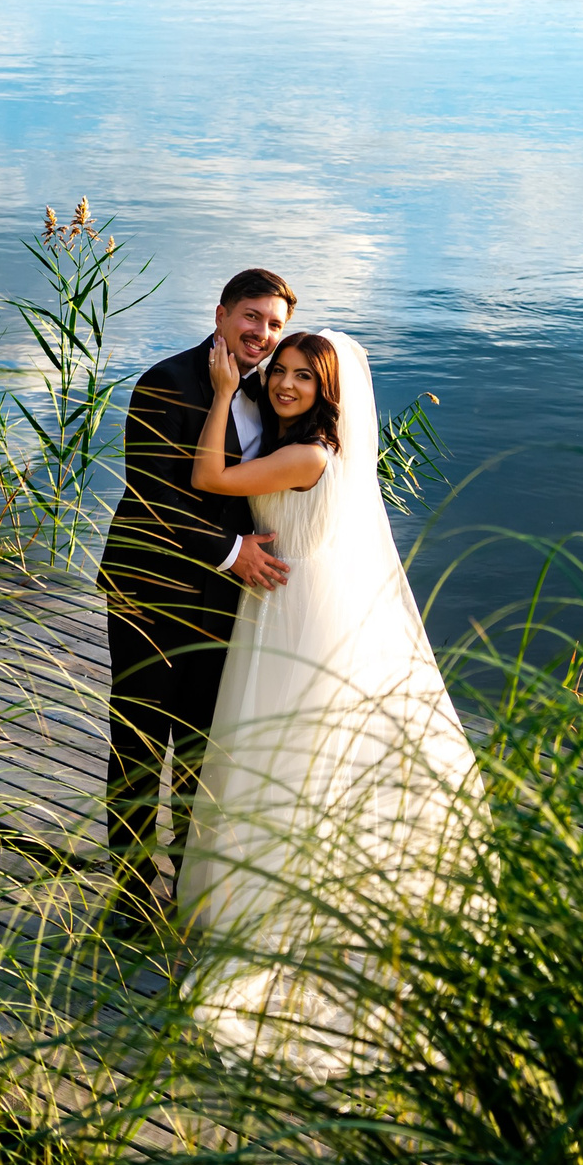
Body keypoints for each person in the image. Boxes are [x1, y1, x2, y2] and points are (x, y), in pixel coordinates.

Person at [178, 327, 480, 1070]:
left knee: (286, 742)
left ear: (328, 391)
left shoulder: (310, 453)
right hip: (292, 597)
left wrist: (222, 393)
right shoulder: (310, 446)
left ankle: (284, 907)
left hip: (295, 607)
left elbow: (210, 478)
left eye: (302, 378)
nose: (283, 384)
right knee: (282, 741)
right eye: (278, 371)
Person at [96, 269, 298, 937]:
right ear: (220, 312)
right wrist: (234, 550)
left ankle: (189, 882)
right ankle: (128, 897)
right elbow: (155, 492)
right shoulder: (164, 381)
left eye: (273, 324)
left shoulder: (273, 393)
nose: (261, 334)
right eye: (251, 316)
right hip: (149, 590)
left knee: (201, 751)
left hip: (222, 603)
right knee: (139, 746)